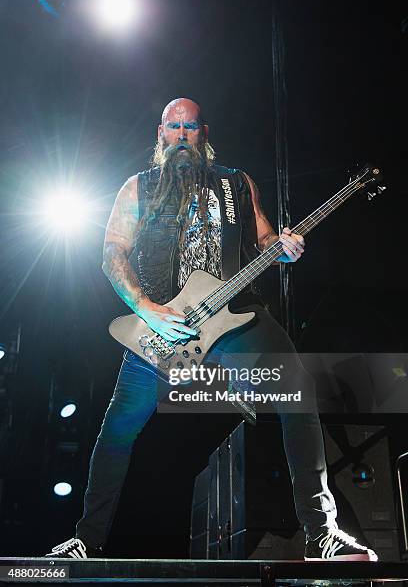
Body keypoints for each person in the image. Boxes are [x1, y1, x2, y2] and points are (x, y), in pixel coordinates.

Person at [46, 98, 377, 561]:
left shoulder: (235, 182)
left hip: (236, 316)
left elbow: (264, 239)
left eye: (191, 126)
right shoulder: (137, 188)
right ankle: (87, 539)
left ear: (204, 133)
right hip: (164, 326)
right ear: (160, 133)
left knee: (298, 392)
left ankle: (322, 534)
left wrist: (282, 247)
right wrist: (144, 306)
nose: (182, 134)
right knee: (118, 428)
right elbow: (112, 253)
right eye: (173, 126)